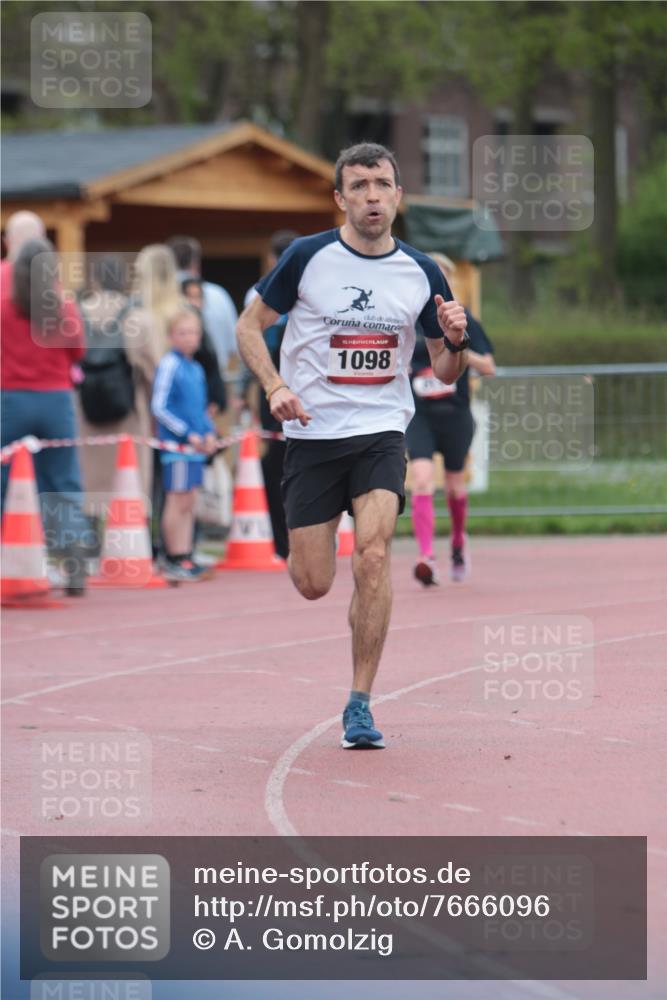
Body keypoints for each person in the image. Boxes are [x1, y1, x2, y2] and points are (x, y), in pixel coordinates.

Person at [236, 142, 469, 749]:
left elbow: (445, 372)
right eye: (359, 185)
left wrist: (453, 342)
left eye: (382, 184)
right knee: (313, 581)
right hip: (312, 435)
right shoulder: (306, 257)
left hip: (381, 432)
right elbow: (248, 328)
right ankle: (363, 609)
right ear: (340, 198)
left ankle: (360, 703)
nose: (372, 195)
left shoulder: (421, 271)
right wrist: (275, 385)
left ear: (398, 196)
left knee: (372, 558)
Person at [1, 232, 90, 594]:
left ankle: (11, 560)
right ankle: (74, 565)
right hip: (55, 401)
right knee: (62, 481)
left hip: (11, 400)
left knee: (5, 482)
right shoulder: (63, 306)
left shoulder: (4, 306)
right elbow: (78, 352)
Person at [407, 253, 496, 585]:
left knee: (455, 484)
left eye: (441, 278)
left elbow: (489, 366)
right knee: (421, 478)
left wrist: (457, 345)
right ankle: (426, 556)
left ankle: (458, 540)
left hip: (455, 413)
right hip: (420, 415)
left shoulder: (464, 319)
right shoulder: (408, 318)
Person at [77, 254, 160, 505]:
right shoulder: (138, 317)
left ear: (94, 280)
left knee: (89, 478)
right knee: (128, 478)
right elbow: (153, 371)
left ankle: (90, 535)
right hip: (129, 411)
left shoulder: (75, 315)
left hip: (85, 409)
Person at [240, 230, 300, 560]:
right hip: (279, 384)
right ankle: (283, 541)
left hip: (279, 385)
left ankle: (292, 540)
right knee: (281, 461)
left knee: (285, 463)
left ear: (271, 259)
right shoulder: (262, 294)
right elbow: (251, 341)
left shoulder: (308, 288)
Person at [151, 304, 218, 582]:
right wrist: (186, 432)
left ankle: (186, 554)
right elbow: (159, 406)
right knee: (176, 499)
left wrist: (209, 432)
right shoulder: (170, 364)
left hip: (196, 448)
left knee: (189, 500)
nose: (190, 338)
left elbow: (200, 408)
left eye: (194, 332)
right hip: (176, 447)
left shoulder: (196, 369)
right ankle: (174, 556)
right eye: (183, 332)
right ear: (171, 336)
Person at [168, 236, 238, 375]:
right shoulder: (219, 295)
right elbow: (234, 347)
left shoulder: (161, 298)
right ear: (196, 262)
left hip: (175, 383)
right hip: (217, 381)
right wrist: (232, 388)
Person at [181, 278, 227, 417]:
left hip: (206, 401)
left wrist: (216, 400)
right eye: (189, 296)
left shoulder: (204, 326)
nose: (194, 302)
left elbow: (211, 364)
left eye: (198, 297)